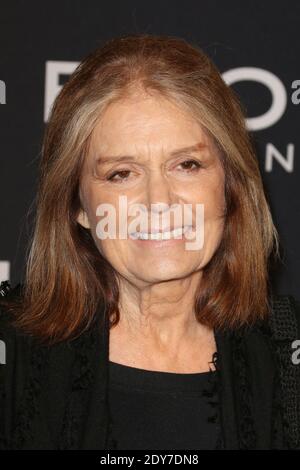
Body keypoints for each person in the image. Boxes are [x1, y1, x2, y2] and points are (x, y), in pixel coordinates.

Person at [0, 33, 300, 450]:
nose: (158, 202)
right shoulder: (11, 359)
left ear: (230, 187)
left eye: (187, 165)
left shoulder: (290, 357)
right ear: (77, 205)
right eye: (122, 173)